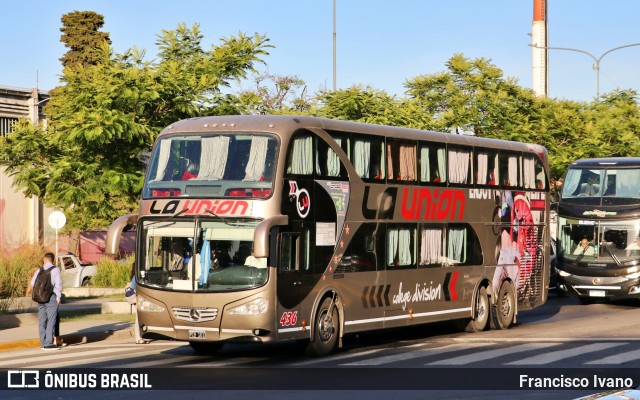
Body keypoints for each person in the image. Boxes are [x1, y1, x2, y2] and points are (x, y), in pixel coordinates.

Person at [30, 252, 62, 350]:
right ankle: (48, 343)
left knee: (42, 321)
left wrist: (41, 292)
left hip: (40, 298)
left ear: (44, 259)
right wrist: (58, 297)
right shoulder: (55, 269)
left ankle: (43, 343)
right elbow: (58, 284)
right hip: (51, 297)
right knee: (51, 320)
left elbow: (32, 283)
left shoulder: (39, 270)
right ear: (52, 260)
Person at [129, 263, 150, 344]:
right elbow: (133, 288)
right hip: (137, 299)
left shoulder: (136, 277)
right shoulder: (136, 278)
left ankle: (141, 337)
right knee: (138, 319)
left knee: (140, 318)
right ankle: (138, 338)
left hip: (139, 299)